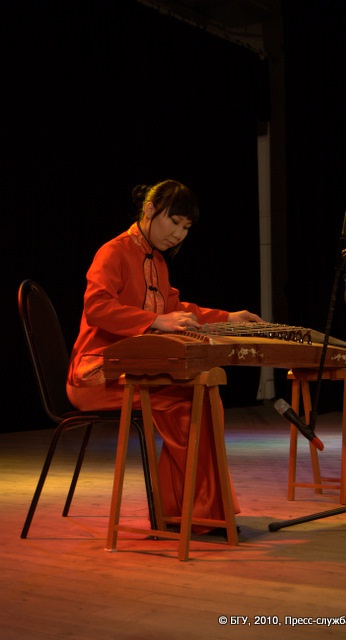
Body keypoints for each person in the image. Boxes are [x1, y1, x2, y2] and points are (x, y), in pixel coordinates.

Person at [66, 179, 262, 532]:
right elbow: (96, 308)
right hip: (97, 371)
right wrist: (155, 320)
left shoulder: (157, 262)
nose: (178, 234)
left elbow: (177, 310)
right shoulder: (113, 251)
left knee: (200, 396)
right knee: (190, 399)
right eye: (174, 222)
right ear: (149, 210)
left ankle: (188, 512)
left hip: (133, 366)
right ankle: (192, 513)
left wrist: (229, 318)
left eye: (186, 228)